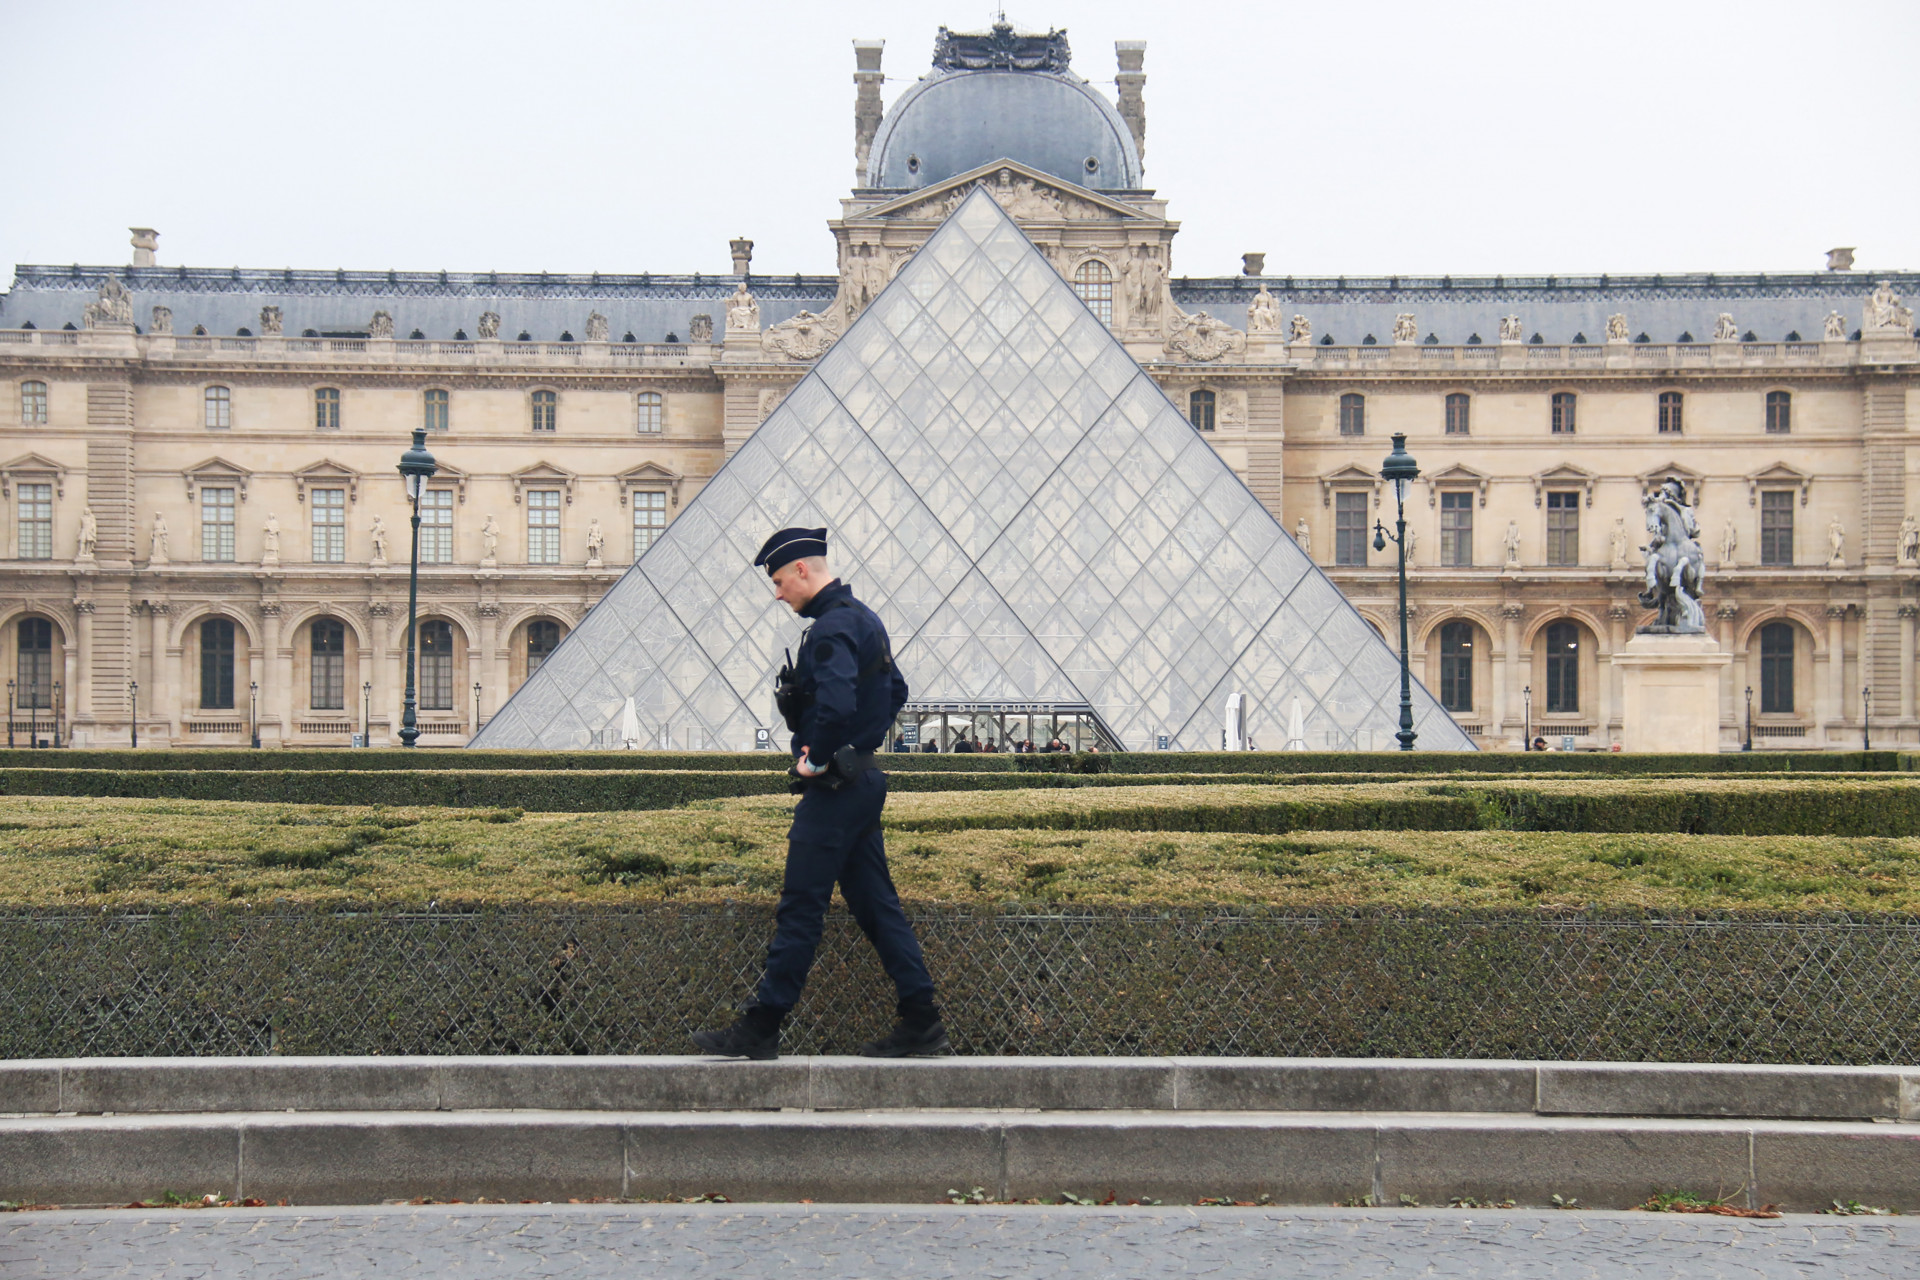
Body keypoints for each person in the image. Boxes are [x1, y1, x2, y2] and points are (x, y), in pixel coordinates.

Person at [692, 527, 946, 1061]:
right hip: (866, 779)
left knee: (801, 906)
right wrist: (863, 738)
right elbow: (896, 689)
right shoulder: (865, 619)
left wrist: (816, 757)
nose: (778, 594)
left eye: (781, 581)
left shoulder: (829, 629)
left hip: (836, 787)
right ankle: (922, 1021)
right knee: (877, 906)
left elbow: (832, 705)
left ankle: (761, 1027)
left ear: (803, 570)